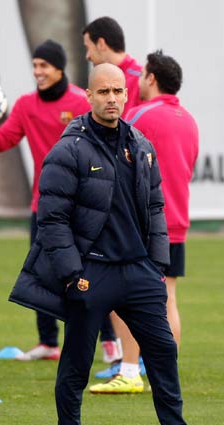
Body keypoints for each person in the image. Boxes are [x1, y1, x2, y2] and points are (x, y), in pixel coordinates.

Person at [9, 63, 224, 425]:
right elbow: (52, 220)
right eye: (103, 92)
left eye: (117, 91)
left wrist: (156, 265)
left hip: (139, 272)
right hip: (91, 275)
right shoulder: (69, 149)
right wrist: (72, 274)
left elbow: (156, 207)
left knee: (163, 352)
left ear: (127, 95)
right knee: (76, 364)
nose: (111, 98)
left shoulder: (141, 144)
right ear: (89, 96)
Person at [0, 39, 89, 361]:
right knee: (43, 273)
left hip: (81, 205)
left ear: (59, 68)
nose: (38, 72)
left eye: (44, 65)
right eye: (34, 66)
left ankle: (109, 341)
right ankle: (48, 342)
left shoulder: (80, 102)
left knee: (90, 273)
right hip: (43, 205)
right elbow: (2, 140)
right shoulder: (25, 105)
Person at [89, 51, 199, 394]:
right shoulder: (189, 120)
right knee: (167, 299)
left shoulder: (140, 115)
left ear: (151, 78)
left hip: (143, 223)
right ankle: (165, 374)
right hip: (177, 220)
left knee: (121, 296)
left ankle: (129, 370)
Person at [82, 15, 145, 374]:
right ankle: (126, 358)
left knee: (134, 286)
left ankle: (132, 362)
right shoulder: (128, 78)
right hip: (109, 195)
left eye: (88, 46)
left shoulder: (137, 79)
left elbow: (138, 141)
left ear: (102, 43)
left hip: (128, 200)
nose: (87, 55)